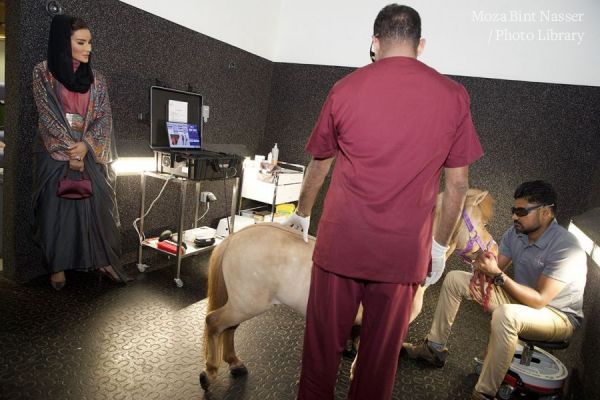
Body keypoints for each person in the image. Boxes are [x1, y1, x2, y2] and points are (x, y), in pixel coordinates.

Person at [283, 4, 484, 399]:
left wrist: (301, 215)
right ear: (420, 45)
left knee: (320, 356)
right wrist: (440, 247)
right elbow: (457, 186)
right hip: (402, 255)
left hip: (340, 247)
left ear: (374, 43)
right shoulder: (454, 95)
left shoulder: (344, 88)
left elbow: (319, 166)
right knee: (378, 366)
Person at [403, 180, 587, 400]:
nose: (514, 217)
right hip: (520, 300)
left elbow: (539, 299)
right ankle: (433, 348)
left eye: (521, 211)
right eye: (513, 210)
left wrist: (497, 275)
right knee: (455, 279)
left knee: (506, 315)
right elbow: (494, 267)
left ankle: (484, 393)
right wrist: (481, 260)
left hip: (556, 315)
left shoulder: (567, 247)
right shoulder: (515, 233)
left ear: (546, 213)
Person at [32, 15, 126, 289]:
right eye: (81, 42)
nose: (88, 49)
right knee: (56, 211)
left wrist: (85, 146)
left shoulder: (97, 79)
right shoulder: (43, 72)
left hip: (89, 151)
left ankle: (101, 260)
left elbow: (104, 117)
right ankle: (57, 266)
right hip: (54, 152)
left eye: (90, 43)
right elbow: (47, 114)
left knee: (98, 208)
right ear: (64, 43)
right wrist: (70, 150)